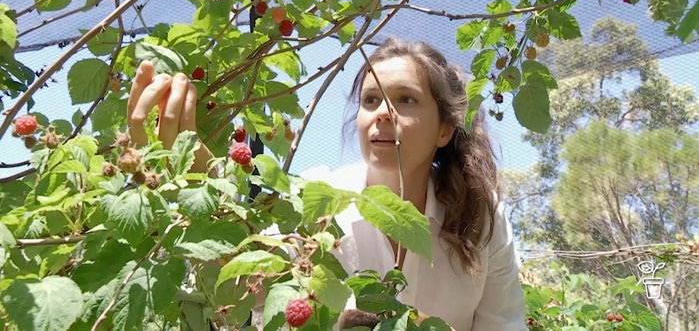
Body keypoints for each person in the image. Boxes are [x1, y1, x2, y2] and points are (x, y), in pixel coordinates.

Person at [127, 37, 527, 330]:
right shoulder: (314, 200)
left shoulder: (481, 217)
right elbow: (247, 281)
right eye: (370, 100)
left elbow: (504, 324)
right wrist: (194, 182)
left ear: (444, 129)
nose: (382, 113)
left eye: (405, 99)